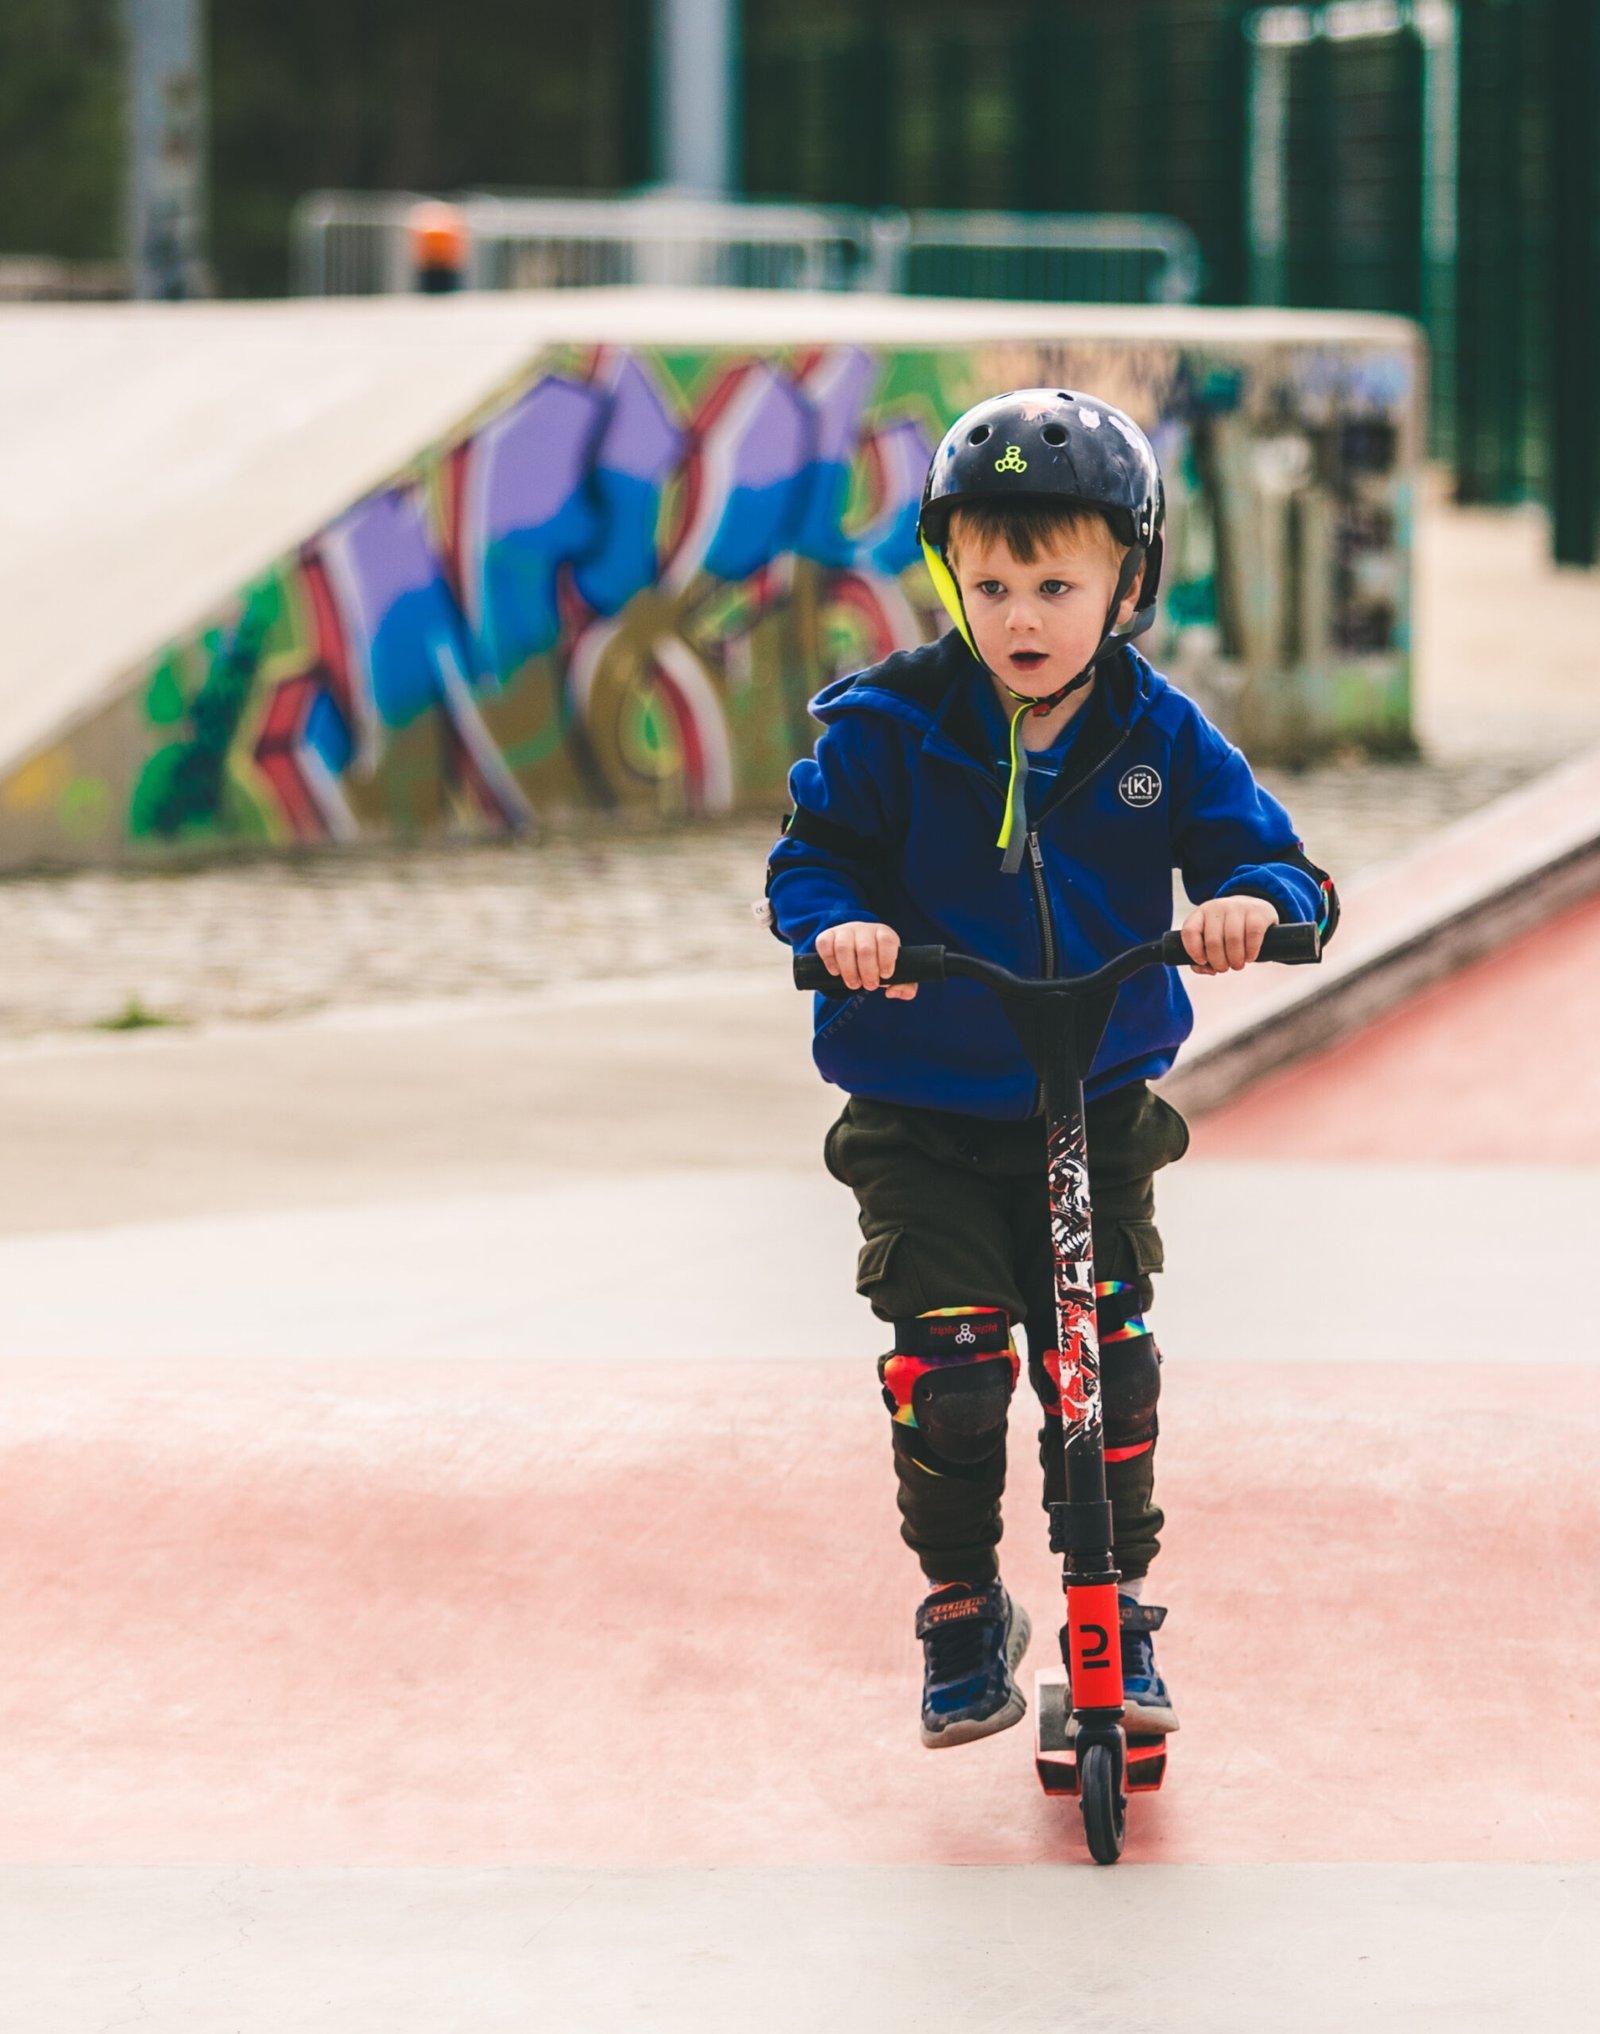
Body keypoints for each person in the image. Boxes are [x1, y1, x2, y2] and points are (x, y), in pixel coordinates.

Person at [764, 388, 1338, 1748]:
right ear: (952, 581)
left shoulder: (1159, 732)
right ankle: (964, 1603)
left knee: (1107, 1365)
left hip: (1099, 1102)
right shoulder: (892, 727)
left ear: (1129, 583)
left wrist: (1247, 904)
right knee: (957, 1373)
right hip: (923, 1117)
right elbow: (812, 859)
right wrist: (839, 929)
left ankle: (1115, 1604)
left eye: (1057, 587)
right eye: (992, 586)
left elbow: (1278, 861)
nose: (1021, 618)